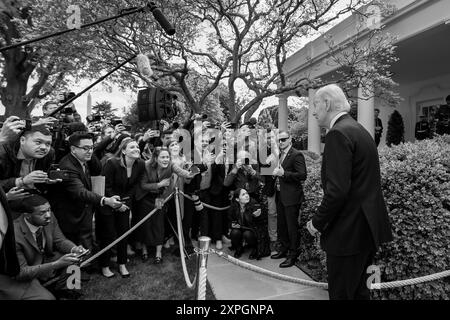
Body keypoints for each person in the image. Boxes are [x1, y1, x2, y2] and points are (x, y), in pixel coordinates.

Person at [307, 84, 393, 300]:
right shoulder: (360, 130)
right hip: (365, 232)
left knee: (343, 295)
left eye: (315, 104)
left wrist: (316, 222)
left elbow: (337, 192)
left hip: (347, 235)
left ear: (327, 103)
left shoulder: (338, 134)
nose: (314, 111)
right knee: (362, 293)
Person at [49, 132, 123, 255]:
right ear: (73, 149)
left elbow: (97, 168)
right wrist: (105, 200)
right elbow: (80, 192)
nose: (90, 151)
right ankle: (76, 268)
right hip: (70, 215)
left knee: (85, 243)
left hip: (83, 212)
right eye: (85, 148)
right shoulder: (68, 166)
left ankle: (86, 264)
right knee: (72, 247)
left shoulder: (83, 160)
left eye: (91, 147)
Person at [1, 194, 87, 300]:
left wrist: (74, 249)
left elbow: (60, 240)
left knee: (74, 258)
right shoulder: (13, 235)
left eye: (49, 210)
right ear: (27, 215)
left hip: (43, 260)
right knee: (48, 298)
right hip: (24, 272)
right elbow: (21, 273)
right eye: (42, 213)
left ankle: (67, 290)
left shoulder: (49, 218)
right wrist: (56, 264)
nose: (48, 215)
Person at [135, 147, 195, 264]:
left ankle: (158, 253)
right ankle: (144, 250)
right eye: (163, 157)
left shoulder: (171, 165)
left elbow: (183, 173)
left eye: (167, 157)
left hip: (159, 197)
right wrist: (159, 184)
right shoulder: (146, 166)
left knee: (158, 223)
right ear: (156, 158)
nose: (166, 159)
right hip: (145, 198)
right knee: (146, 224)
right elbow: (143, 185)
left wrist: (191, 172)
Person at [97, 138, 145, 278]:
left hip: (124, 204)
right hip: (107, 202)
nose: (136, 149)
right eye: (132, 147)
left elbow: (135, 186)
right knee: (108, 235)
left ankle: (122, 264)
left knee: (123, 234)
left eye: (137, 146)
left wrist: (125, 203)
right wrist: (116, 203)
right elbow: (106, 186)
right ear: (123, 150)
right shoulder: (112, 163)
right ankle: (105, 266)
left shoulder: (140, 164)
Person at [270, 130, 307, 268]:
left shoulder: (297, 154)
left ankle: (293, 255)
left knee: (292, 228)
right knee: (282, 225)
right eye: (279, 140)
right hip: (280, 195)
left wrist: (284, 174)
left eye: (283, 139)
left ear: (290, 139)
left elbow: (302, 175)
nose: (281, 142)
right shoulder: (280, 155)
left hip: (292, 197)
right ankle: (284, 250)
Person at [0, 126, 55, 194]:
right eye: (38, 142)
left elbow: (44, 175)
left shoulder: (49, 153)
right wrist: (22, 181)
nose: (44, 147)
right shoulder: (3, 153)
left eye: (48, 144)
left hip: (35, 192)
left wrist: (48, 179)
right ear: (22, 140)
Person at [228, 188, 270, 259]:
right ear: (237, 199)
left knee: (247, 234)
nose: (247, 196)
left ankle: (255, 248)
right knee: (234, 232)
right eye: (243, 194)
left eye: (247, 193)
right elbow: (230, 220)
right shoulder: (234, 207)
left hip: (252, 230)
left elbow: (263, 222)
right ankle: (239, 248)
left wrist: (258, 216)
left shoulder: (254, 204)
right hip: (241, 229)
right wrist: (232, 225)